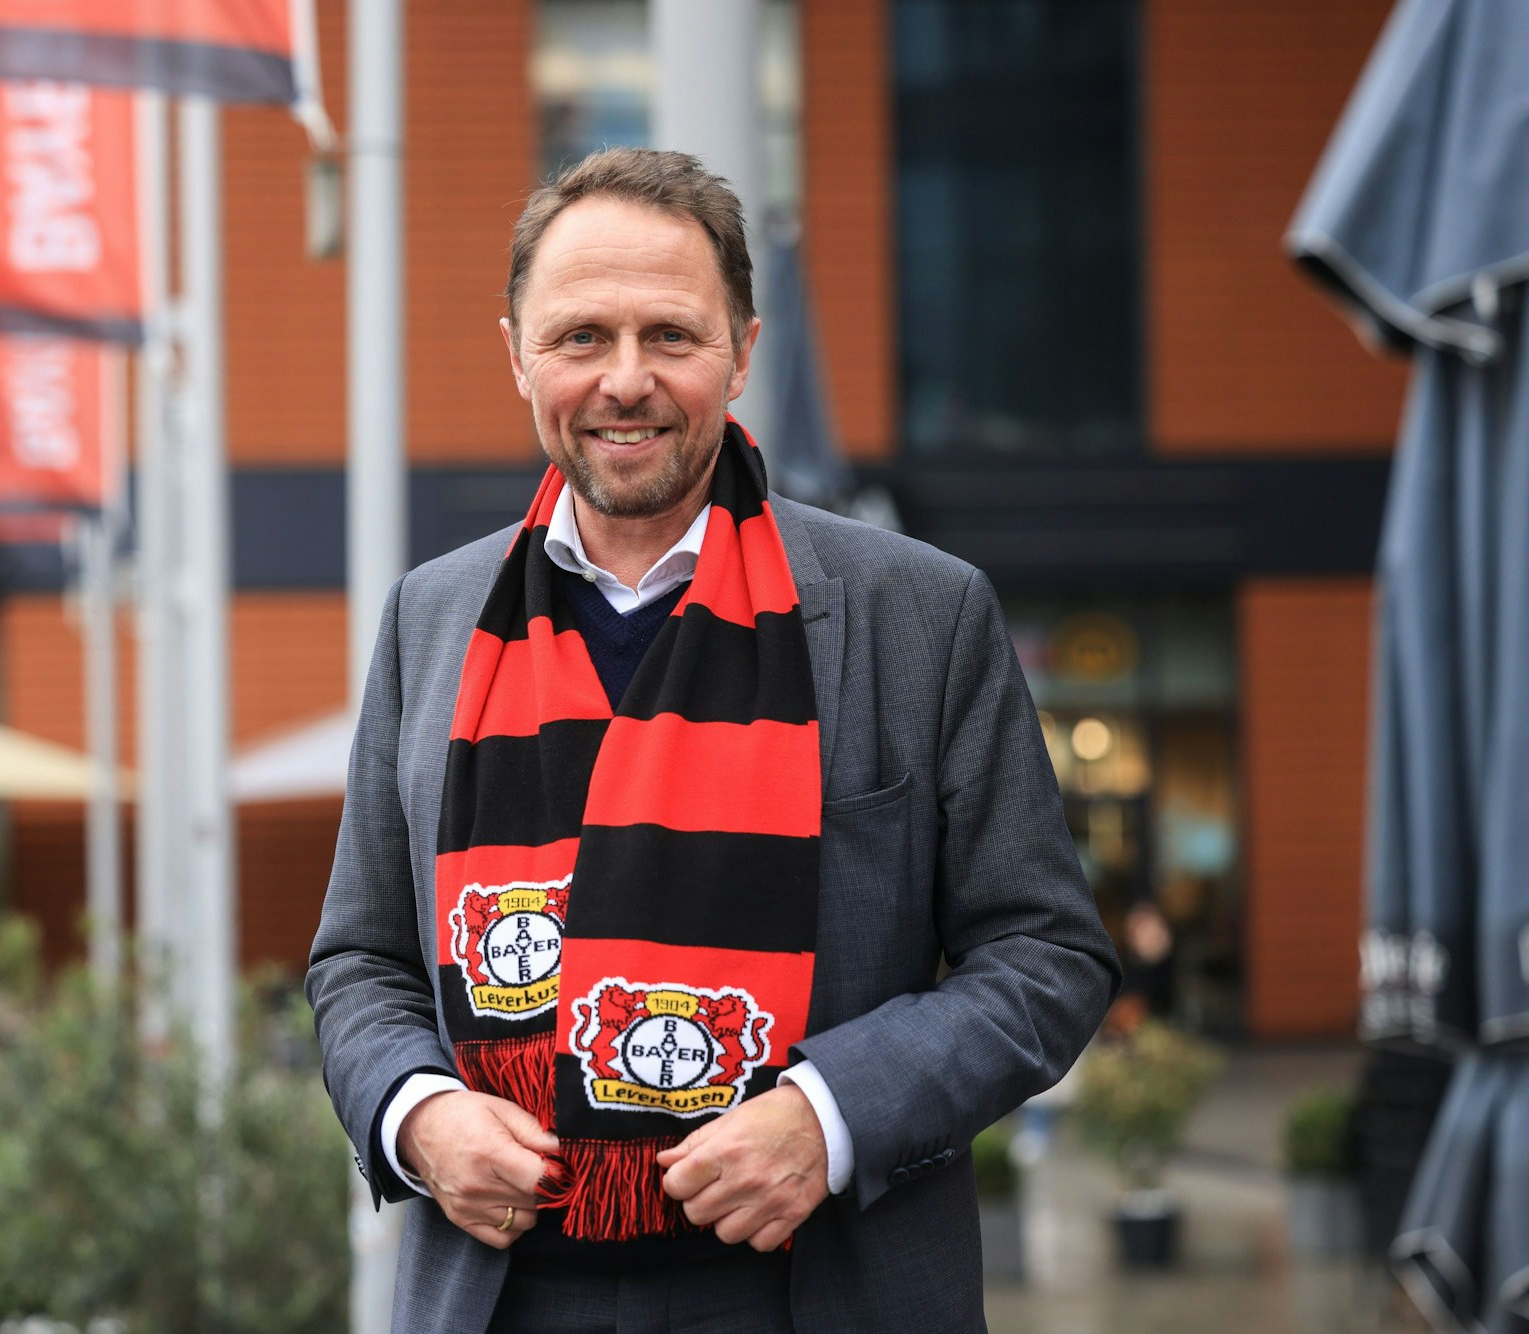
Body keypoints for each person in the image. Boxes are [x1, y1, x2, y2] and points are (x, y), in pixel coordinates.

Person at [306, 147, 1119, 1334]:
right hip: (499, 1295)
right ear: (517, 354)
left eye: (669, 336)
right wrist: (417, 1112)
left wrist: (830, 1115)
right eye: (580, 336)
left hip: (814, 1289)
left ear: (740, 350)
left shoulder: (920, 612)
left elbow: (1046, 955)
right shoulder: (427, 616)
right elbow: (358, 962)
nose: (623, 379)